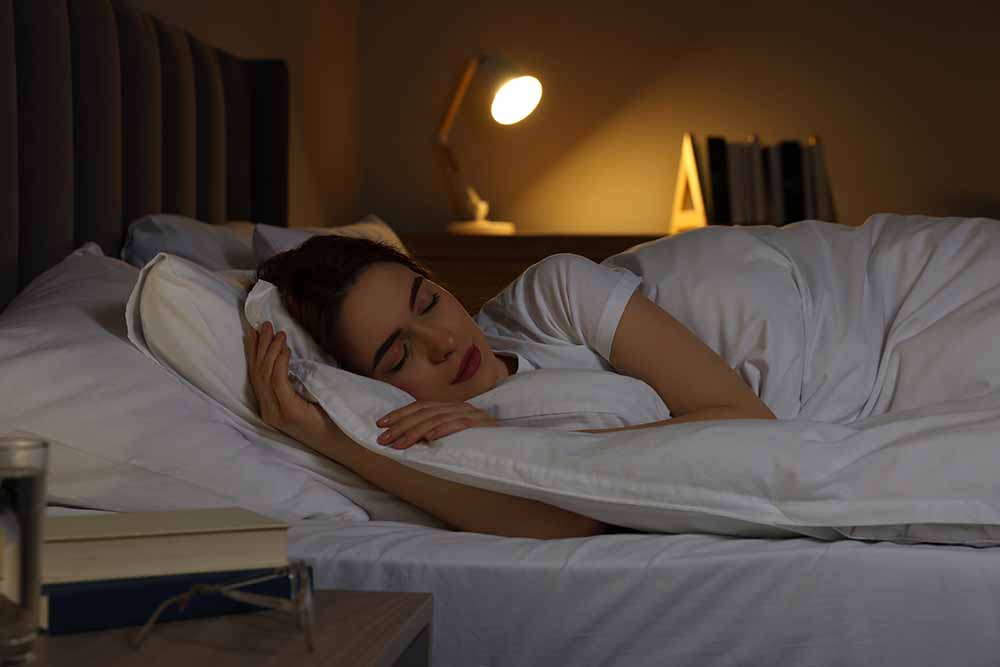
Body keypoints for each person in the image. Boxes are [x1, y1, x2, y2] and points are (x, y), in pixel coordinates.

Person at [244, 235, 775, 539]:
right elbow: (569, 526)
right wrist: (329, 436)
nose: (443, 343)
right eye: (399, 355)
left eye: (428, 301)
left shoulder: (556, 297)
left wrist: (540, 442)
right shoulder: (448, 443)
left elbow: (747, 421)